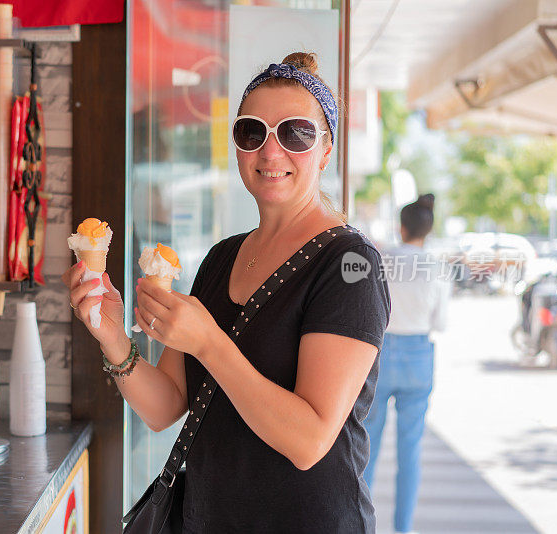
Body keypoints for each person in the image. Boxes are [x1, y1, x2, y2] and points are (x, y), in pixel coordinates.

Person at [63, 52, 391, 532]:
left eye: (296, 133)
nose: (271, 151)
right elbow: (167, 405)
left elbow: (309, 441)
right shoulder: (222, 257)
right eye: (252, 132)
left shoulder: (349, 266)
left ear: (325, 150)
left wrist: (209, 342)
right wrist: (113, 337)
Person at [363, 194, 449, 534]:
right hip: (418, 357)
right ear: (427, 231)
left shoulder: (380, 259)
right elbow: (440, 323)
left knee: (365, 443)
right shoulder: (436, 267)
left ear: (401, 227)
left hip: (379, 354)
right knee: (410, 449)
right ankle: (403, 528)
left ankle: (361, 522)